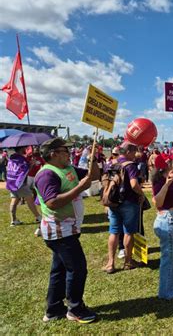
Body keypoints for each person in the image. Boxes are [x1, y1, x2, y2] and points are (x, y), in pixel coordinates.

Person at [34, 138, 100, 323]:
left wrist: (92, 160)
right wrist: (80, 187)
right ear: (53, 153)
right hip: (59, 231)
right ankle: (75, 308)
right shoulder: (47, 174)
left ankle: (54, 309)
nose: (68, 153)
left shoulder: (67, 169)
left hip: (68, 229)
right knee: (77, 269)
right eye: (64, 150)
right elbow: (52, 202)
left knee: (60, 270)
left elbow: (93, 176)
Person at [103, 142, 145, 273]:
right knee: (128, 232)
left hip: (114, 202)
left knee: (114, 231)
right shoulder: (131, 165)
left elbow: (106, 181)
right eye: (133, 152)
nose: (135, 155)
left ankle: (110, 263)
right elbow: (134, 184)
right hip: (128, 202)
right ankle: (128, 261)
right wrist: (142, 194)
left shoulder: (112, 163)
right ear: (128, 152)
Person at [152, 149, 173, 300]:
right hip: (169, 220)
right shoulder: (160, 181)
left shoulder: (171, 175)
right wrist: (166, 185)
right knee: (170, 257)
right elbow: (157, 202)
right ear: (164, 165)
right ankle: (167, 292)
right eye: (170, 161)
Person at [6, 146, 42, 227]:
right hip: (20, 183)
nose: (26, 149)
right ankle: (38, 217)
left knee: (14, 200)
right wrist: (32, 164)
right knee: (30, 199)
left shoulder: (12, 158)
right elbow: (25, 171)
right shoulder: (22, 159)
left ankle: (13, 220)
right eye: (25, 148)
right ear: (22, 149)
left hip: (12, 182)